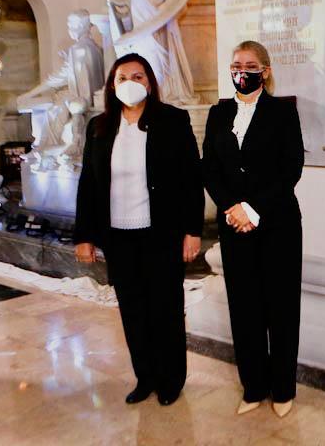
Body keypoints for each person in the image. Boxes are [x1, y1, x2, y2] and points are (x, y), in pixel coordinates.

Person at [74, 53, 204, 406]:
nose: (130, 82)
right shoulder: (99, 127)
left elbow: (192, 179)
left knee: (165, 309)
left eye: (138, 76)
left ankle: (171, 380)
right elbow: (89, 183)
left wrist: (193, 231)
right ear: (112, 86)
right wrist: (83, 235)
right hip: (119, 236)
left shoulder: (173, 121)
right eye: (122, 77)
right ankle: (145, 376)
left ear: (150, 83)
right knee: (133, 311)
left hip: (160, 233)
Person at [202, 40, 305, 418]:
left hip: (277, 223)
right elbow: (209, 167)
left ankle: (282, 390)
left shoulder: (282, 112)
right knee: (244, 308)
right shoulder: (218, 113)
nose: (241, 70)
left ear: (265, 70)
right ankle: (253, 388)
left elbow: (290, 168)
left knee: (280, 307)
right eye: (235, 64)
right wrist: (232, 208)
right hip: (233, 225)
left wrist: (252, 208)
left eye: (249, 64)